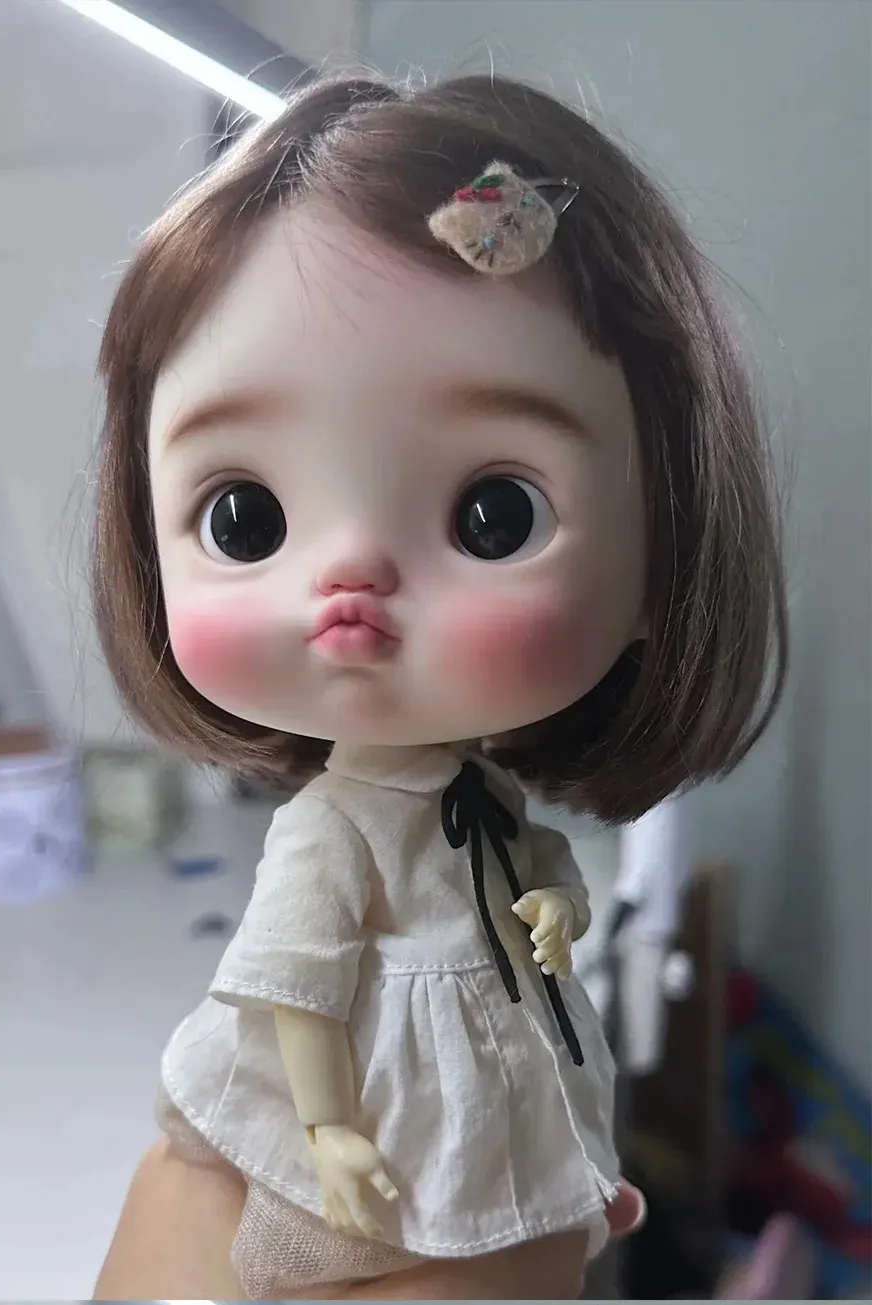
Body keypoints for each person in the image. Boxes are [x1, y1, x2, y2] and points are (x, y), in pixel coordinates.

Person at [90, 75, 786, 1299]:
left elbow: (519, 864)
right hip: (367, 1126)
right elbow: (299, 986)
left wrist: (555, 904)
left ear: (664, 551)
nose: (351, 575)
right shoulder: (330, 834)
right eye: (245, 519)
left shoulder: (478, 799)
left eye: (493, 514)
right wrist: (326, 1131)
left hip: (485, 1087)